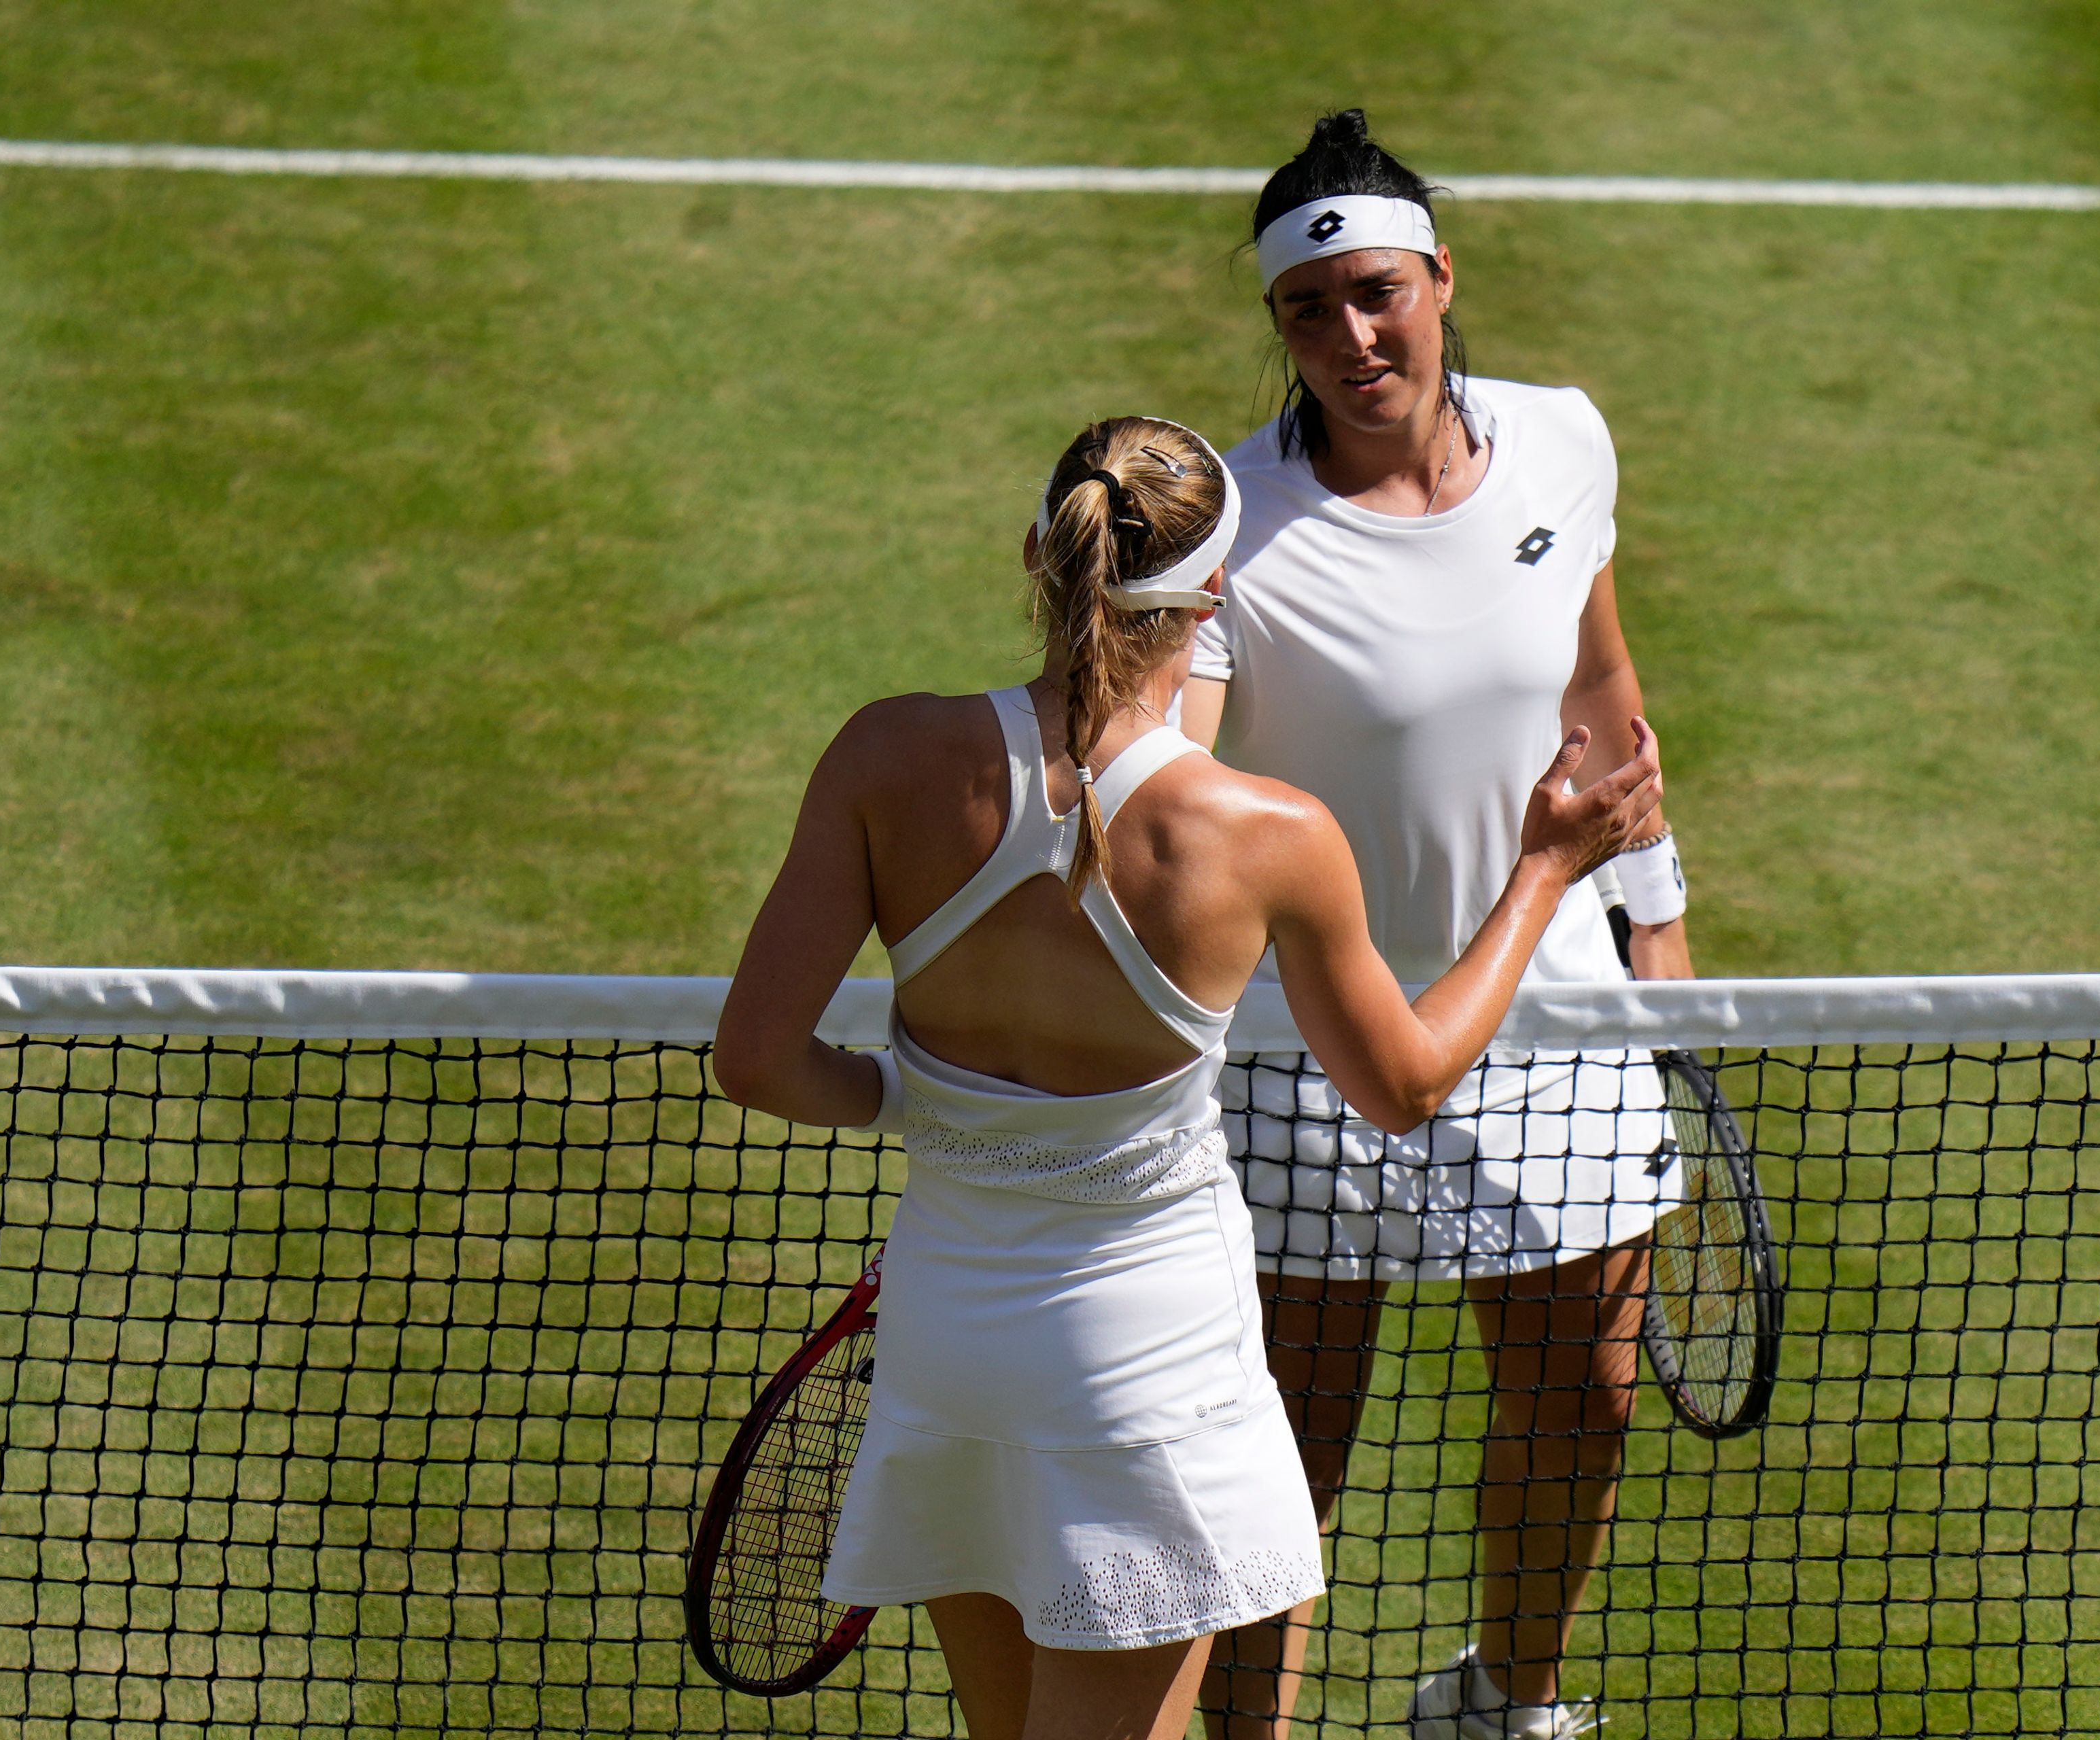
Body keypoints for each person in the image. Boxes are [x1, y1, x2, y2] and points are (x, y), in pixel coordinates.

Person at [712, 414, 1662, 1740]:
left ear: (1041, 553)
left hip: (948, 1342)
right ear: (1215, 596)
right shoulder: (1262, 836)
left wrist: (900, 1097)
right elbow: (1403, 1083)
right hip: (1140, 1372)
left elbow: (757, 1057)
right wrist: (1545, 874)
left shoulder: (885, 759)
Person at [1179, 113, 1696, 1740]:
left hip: (1550, 1012)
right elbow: (1167, 777)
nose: (1352, 335)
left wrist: (1656, 926)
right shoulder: (1224, 523)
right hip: (1296, 1044)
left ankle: (1505, 1702)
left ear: (1442, 281)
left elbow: (1598, 688)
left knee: (1585, 1400)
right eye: (1309, 308)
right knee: (1284, 1452)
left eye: (1379, 292)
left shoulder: (1562, 443)